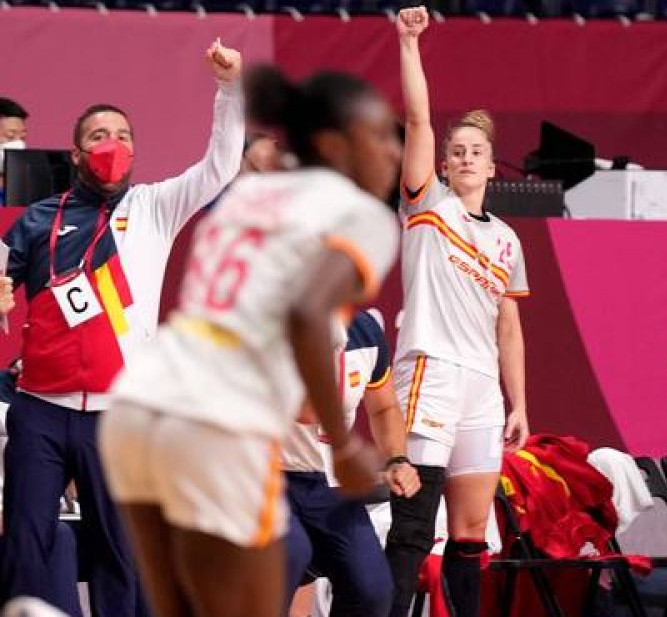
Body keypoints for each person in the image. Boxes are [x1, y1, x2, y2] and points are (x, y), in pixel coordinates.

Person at [97, 64, 402, 617]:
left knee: (373, 590)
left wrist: (390, 454)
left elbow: (372, 403)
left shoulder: (355, 315)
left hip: (323, 482)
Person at [0, 40, 244, 616]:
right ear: (77, 154)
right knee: (26, 544)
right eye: (98, 138)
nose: (113, 147)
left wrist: (229, 90)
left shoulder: (156, 207)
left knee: (122, 553)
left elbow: (219, 165)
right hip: (38, 409)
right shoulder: (40, 218)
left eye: (124, 136)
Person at [387, 6, 531, 617]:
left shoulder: (506, 239)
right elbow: (418, 117)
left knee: (472, 535)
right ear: (444, 166)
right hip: (430, 371)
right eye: (457, 152)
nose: (467, 158)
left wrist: (518, 400)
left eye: (477, 151)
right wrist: (410, 43)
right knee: (416, 525)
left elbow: (510, 327)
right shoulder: (428, 208)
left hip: (481, 388)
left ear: (494, 166)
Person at [283, 310, 421, 617]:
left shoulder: (365, 330)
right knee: (289, 557)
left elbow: (384, 408)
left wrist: (397, 459)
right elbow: (308, 413)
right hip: (268, 475)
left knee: (371, 591)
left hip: (329, 486)